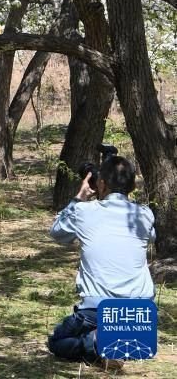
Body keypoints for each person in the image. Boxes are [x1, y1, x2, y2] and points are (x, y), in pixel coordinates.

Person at [47, 156, 155, 365]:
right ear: (133, 187)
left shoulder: (84, 211)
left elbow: (57, 232)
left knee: (57, 341)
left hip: (97, 309)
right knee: (135, 340)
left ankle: (97, 342)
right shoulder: (145, 214)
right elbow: (151, 236)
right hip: (139, 310)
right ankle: (121, 342)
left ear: (101, 184)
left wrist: (80, 197)